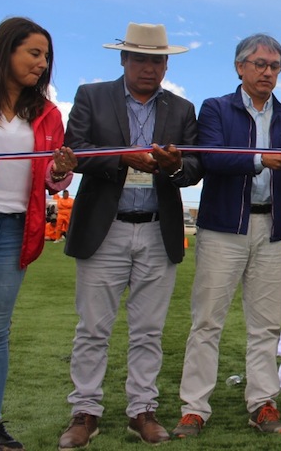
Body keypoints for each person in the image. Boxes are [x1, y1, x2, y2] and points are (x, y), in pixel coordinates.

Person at [58, 23, 201, 449]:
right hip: (107, 229)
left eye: (157, 60)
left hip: (158, 229)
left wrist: (174, 165)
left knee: (148, 330)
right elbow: (76, 151)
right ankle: (85, 411)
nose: (149, 68)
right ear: (123, 59)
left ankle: (143, 410)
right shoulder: (91, 96)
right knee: (92, 329)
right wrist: (122, 157)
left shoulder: (181, 108)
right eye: (140, 58)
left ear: (166, 63)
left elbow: (194, 168)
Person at [173, 33, 281, 438]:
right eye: (260, 64)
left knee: (265, 324)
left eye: (275, 67)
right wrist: (260, 159)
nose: (268, 72)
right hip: (222, 228)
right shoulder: (216, 109)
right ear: (240, 67)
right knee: (207, 322)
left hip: (271, 229)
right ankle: (194, 408)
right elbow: (211, 158)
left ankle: (263, 403)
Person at [0, 17, 76, 451]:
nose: (42, 64)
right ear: (6, 50)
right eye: (34, 53)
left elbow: (49, 176)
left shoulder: (46, 113)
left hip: (11, 230)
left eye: (46, 57)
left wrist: (60, 170)